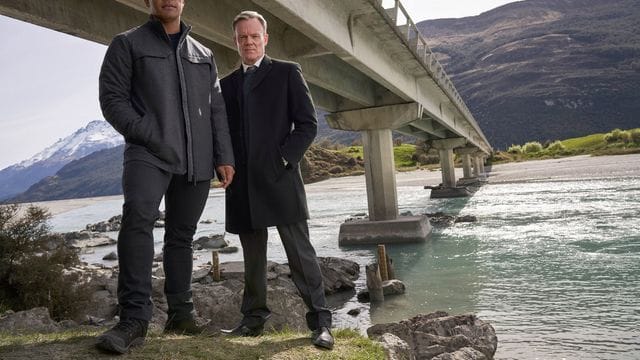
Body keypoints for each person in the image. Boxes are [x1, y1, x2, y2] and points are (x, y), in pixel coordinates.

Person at [95, 0, 235, 354]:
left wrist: (224, 156)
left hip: (197, 158)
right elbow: (112, 100)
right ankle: (134, 319)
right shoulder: (127, 44)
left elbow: (216, 108)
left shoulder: (203, 53)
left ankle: (181, 314)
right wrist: (150, 133)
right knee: (139, 219)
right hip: (148, 153)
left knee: (181, 236)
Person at [219, 10, 334, 350]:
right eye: (243, 37)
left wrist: (283, 157)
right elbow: (221, 132)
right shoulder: (225, 85)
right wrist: (222, 163)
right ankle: (253, 321)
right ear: (235, 41)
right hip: (242, 184)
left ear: (265, 38)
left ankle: (321, 323)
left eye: (255, 36)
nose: (249, 42)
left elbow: (307, 124)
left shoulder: (287, 73)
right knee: (253, 257)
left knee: (301, 254)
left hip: (281, 177)